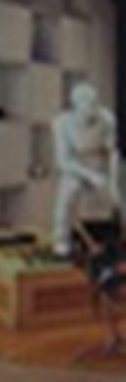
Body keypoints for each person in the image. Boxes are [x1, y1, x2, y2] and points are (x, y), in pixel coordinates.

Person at [52, 81, 120, 254]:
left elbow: (112, 152)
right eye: (89, 105)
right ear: (77, 106)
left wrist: (113, 179)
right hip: (76, 167)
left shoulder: (107, 119)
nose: (93, 109)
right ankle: (62, 240)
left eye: (95, 104)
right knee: (68, 194)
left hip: (99, 163)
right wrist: (90, 176)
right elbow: (63, 161)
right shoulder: (61, 123)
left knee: (120, 193)